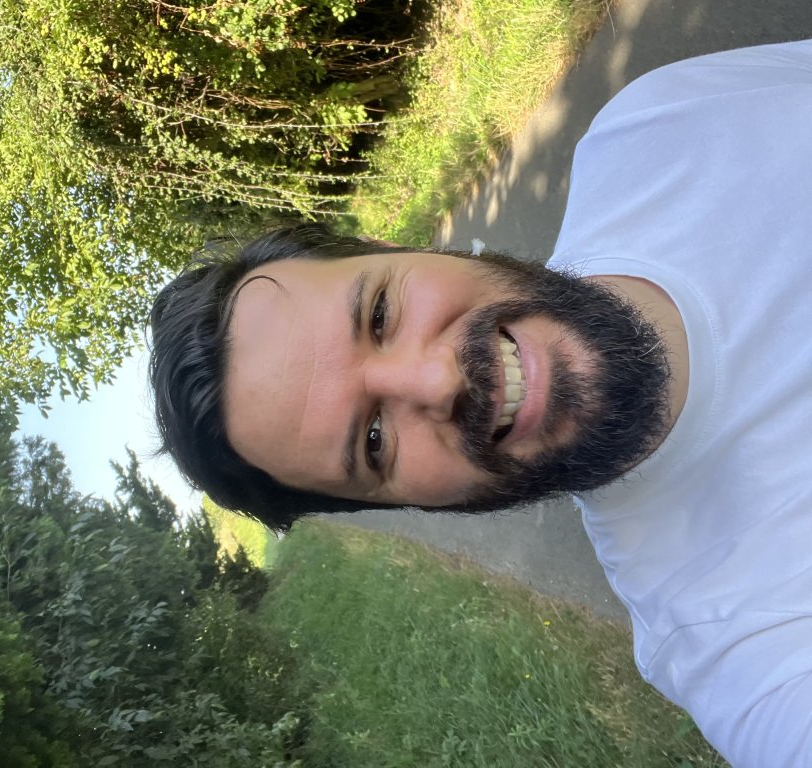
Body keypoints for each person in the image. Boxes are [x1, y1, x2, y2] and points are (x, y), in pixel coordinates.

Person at [149, 40, 812, 767]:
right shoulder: (731, 639)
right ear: (408, 505)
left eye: (379, 314)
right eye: (373, 441)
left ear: (391, 245)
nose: (436, 383)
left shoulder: (659, 126)